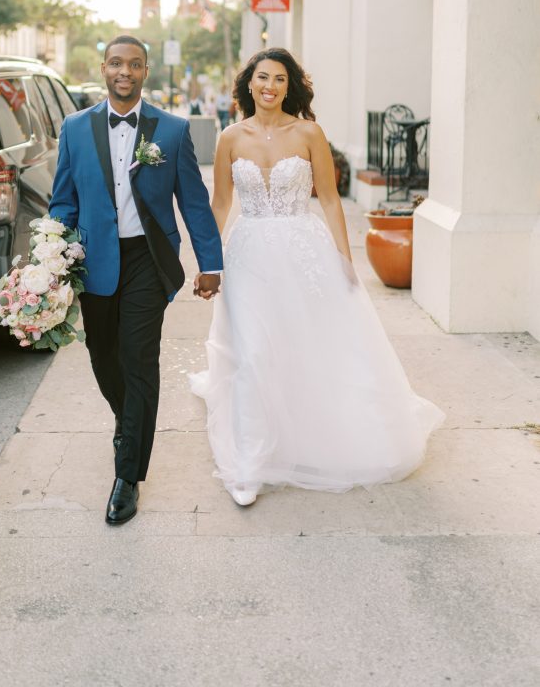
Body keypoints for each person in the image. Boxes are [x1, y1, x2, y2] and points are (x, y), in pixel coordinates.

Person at [190, 48, 444, 507]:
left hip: (303, 252)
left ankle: (308, 432)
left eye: (280, 79)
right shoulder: (230, 137)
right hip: (247, 254)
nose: (270, 86)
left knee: (306, 344)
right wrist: (210, 261)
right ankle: (249, 463)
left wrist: (345, 260)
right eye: (262, 77)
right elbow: (222, 202)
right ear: (249, 83)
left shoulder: (309, 132)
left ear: (290, 87)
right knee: (250, 352)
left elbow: (328, 198)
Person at [50, 35, 223, 525]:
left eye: (135, 65)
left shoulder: (170, 130)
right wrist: (54, 255)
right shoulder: (75, 128)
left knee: (138, 357)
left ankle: (128, 475)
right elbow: (63, 200)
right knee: (103, 356)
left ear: (146, 72)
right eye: (116, 63)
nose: (125, 72)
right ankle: (130, 424)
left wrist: (210, 262)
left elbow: (193, 199)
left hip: (149, 257)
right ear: (103, 68)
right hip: (94, 259)